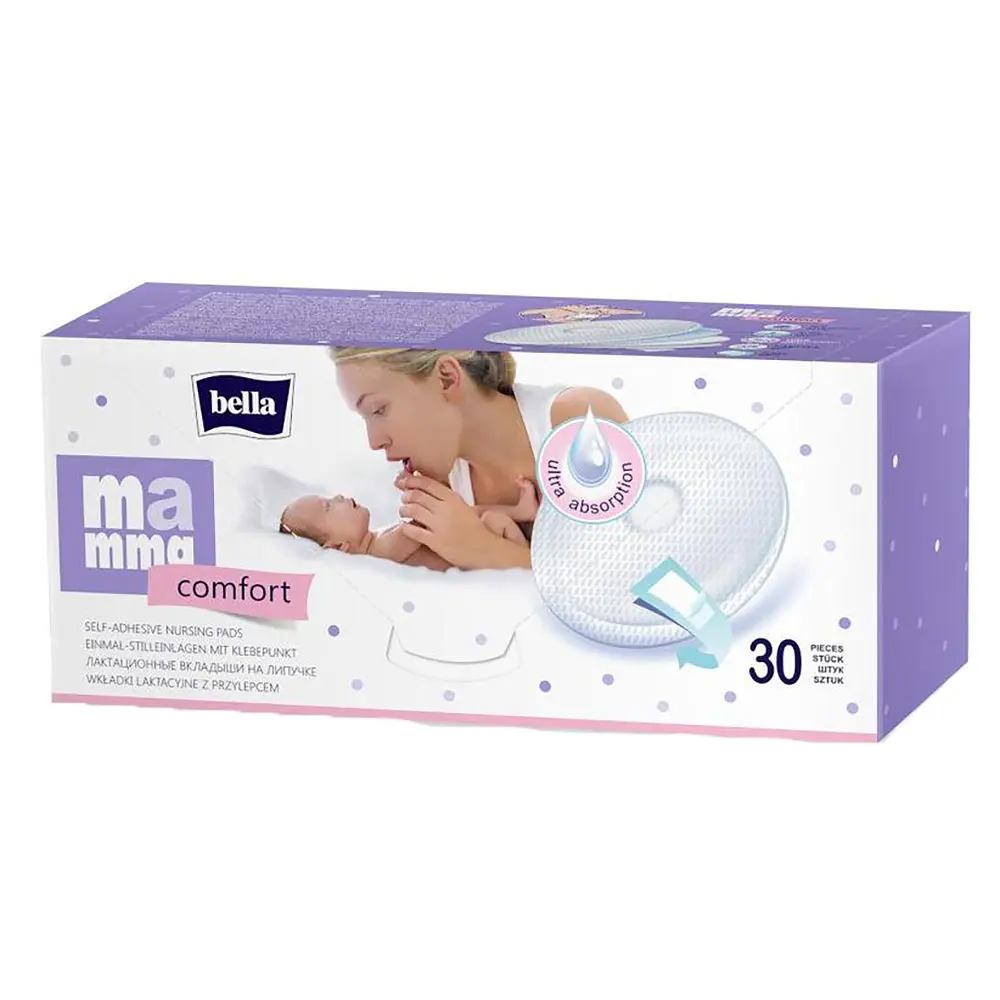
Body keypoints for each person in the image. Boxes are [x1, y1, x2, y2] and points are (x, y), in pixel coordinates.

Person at [330, 347, 627, 570]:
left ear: (446, 378)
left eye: (378, 410)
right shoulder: (448, 491)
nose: (374, 442)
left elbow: (629, 574)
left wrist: (487, 551)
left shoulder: (579, 422)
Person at [279, 482, 537, 571]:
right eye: (327, 506)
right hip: (485, 563)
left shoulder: (377, 538)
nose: (337, 497)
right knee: (493, 521)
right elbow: (435, 519)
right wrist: (418, 487)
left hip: (475, 550)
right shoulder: (380, 554)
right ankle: (524, 538)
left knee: (482, 520)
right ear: (338, 547)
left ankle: (522, 514)